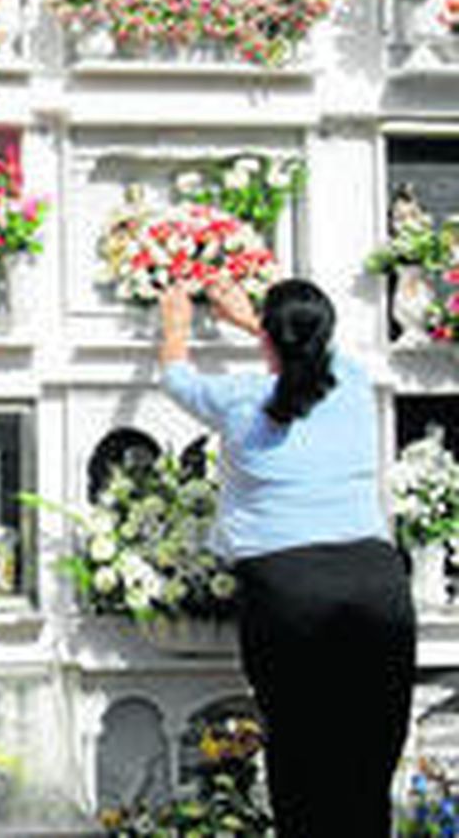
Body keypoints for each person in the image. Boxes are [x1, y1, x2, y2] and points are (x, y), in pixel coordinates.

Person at [159, 277, 414, 837]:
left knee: (303, 759)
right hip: (377, 585)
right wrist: (255, 321)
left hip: (290, 594)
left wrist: (176, 324)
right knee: (367, 760)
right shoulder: (354, 383)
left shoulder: (240, 401)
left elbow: (175, 378)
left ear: (271, 340)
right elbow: (311, 353)